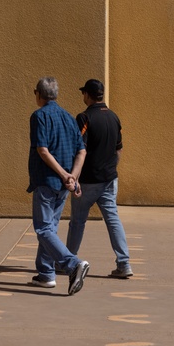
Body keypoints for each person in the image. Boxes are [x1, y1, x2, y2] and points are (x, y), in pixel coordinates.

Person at [27, 76, 90, 295]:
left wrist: (65, 174)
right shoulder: (68, 117)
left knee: (43, 228)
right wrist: (73, 176)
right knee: (50, 228)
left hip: (47, 181)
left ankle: (72, 265)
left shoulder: (39, 116)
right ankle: (45, 274)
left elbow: (42, 150)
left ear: (39, 94)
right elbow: (81, 150)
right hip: (64, 184)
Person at [67, 79, 132, 278]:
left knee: (77, 221)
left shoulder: (84, 117)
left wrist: (74, 177)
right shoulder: (114, 117)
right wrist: (111, 168)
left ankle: (68, 261)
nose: (82, 97)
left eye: (83, 93)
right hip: (109, 179)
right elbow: (119, 149)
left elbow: (80, 149)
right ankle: (124, 264)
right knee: (112, 219)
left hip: (87, 180)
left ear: (88, 94)